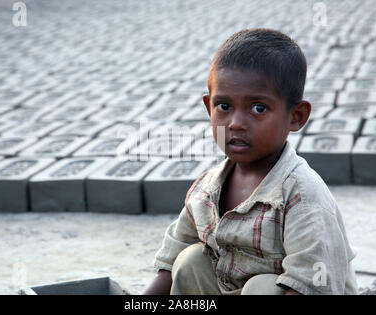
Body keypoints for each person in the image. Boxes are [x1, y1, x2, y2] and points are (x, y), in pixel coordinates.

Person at [143, 28, 358, 295]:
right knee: (189, 262)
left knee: (262, 288)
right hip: (233, 287)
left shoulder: (302, 196)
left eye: (258, 108)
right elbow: (170, 261)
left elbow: (314, 283)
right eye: (223, 106)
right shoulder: (207, 189)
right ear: (208, 107)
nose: (236, 123)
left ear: (296, 116)